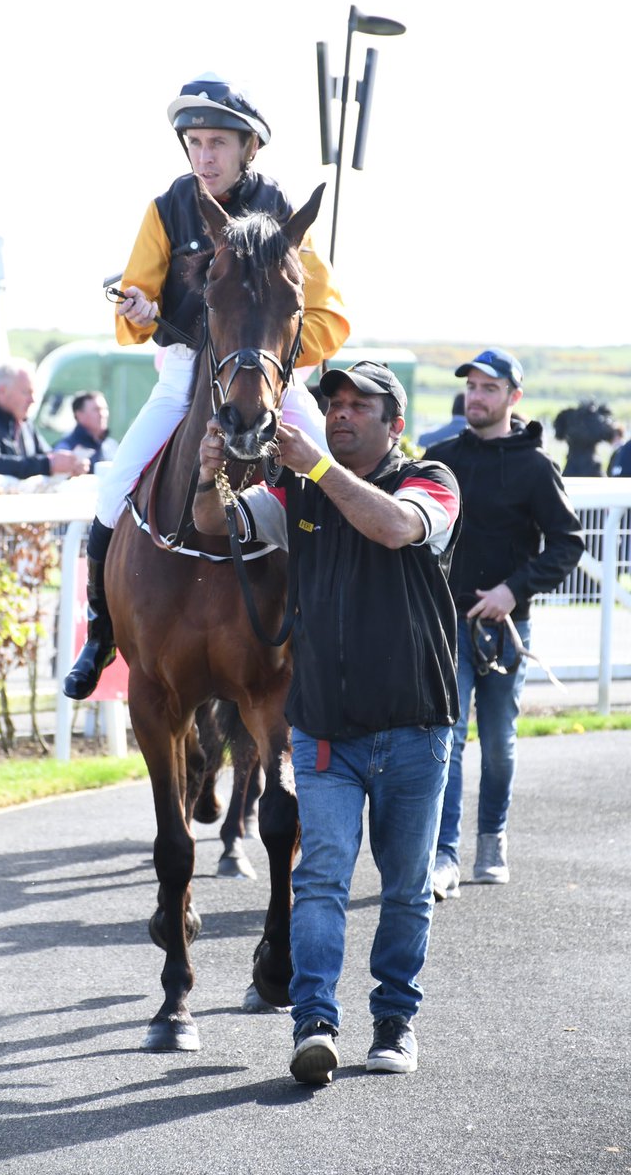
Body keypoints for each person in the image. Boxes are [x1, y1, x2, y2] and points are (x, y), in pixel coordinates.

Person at [195, 362, 461, 1084]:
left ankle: (395, 1022)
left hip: (415, 725)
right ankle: (314, 1022)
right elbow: (217, 524)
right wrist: (210, 473)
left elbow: (393, 526)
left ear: (393, 423)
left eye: (358, 405)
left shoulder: (430, 479)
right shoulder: (296, 489)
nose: (339, 413)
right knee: (319, 879)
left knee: (405, 886)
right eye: (332, 403)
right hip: (323, 730)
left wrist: (316, 464)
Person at [62, 73, 350, 701]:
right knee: (113, 490)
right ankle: (100, 633)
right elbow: (134, 298)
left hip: (269, 377)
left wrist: (273, 363)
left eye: (217, 142)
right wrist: (136, 311)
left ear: (249, 147)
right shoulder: (166, 208)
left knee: (337, 474)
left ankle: (340, 626)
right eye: (194, 143)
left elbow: (331, 318)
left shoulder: (281, 210)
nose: (204, 156)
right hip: (185, 372)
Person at [425, 348, 584, 900]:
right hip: (446, 625)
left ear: (513, 398)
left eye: (489, 388)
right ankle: (443, 856)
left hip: (505, 631)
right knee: (446, 740)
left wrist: (512, 590)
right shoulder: (438, 457)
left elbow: (568, 543)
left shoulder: (537, 468)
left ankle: (491, 840)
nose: (476, 396)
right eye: (471, 386)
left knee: (497, 743)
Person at [0, 360, 88, 479]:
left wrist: (69, 464)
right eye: (26, 392)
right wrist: (49, 465)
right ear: (2, 390)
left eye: (33, 393)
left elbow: (46, 456)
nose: (32, 400)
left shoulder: (25, 424)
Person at [54, 391, 118, 470]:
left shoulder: (112, 446)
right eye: (96, 409)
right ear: (79, 415)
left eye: (104, 409)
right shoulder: (65, 448)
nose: (103, 414)